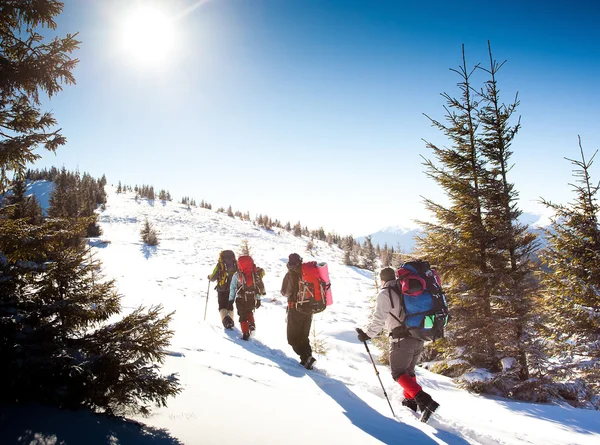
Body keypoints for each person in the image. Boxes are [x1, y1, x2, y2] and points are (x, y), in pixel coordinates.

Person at [356, 267, 440, 419]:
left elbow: (378, 320)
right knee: (408, 372)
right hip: (418, 336)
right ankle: (410, 402)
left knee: (398, 373)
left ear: (382, 280)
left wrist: (367, 335)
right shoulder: (405, 289)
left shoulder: (385, 293)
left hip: (401, 340)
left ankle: (425, 400)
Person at [281, 253, 316, 370]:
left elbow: (285, 292)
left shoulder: (291, 274)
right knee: (303, 336)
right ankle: (308, 357)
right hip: (309, 310)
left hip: (295, 309)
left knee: (292, 339)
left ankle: (306, 357)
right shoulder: (309, 273)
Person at [229, 255, 266, 341]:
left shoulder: (237, 275)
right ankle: (252, 324)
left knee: (242, 315)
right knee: (249, 312)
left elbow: (232, 287)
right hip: (252, 297)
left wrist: (231, 300)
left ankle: (245, 333)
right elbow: (257, 287)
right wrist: (258, 299)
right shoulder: (255, 274)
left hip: (240, 298)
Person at [208, 250, 237, 329]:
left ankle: (226, 321)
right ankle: (231, 320)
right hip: (232, 288)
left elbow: (213, 277)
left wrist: (209, 277)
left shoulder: (220, 265)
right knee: (230, 305)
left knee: (222, 305)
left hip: (222, 288)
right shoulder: (235, 264)